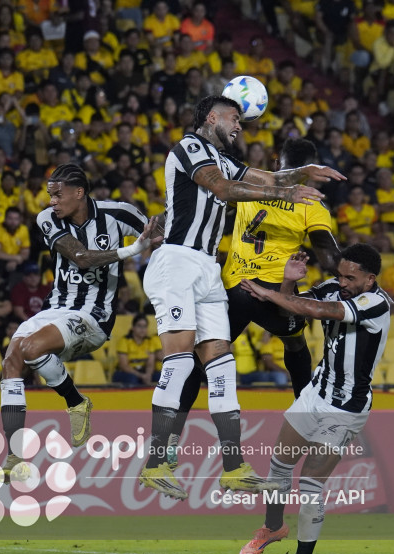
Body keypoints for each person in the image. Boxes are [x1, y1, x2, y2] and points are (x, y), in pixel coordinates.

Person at [138, 95, 340, 501]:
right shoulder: (190, 147)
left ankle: (233, 467)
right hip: (177, 261)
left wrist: (301, 172)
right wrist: (281, 193)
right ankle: (157, 459)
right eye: (235, 119)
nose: (240, 127)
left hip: (210, 270)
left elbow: (268, 178)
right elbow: (223, 189)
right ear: (212, 117)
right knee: (180, 360)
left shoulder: (226, 159)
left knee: (221, 366)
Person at [238, 244, 389, 554]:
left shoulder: (375, 304)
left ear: (370, 279)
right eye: (340, 275)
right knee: (278, 466)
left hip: (345, 409)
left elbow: (319, 310)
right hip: (315, 394)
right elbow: (291, 314)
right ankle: (274, 527)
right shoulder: (335, 288)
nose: (343, 282)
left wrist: (271, 291)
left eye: (351, 277)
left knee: (309, 485)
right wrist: (287, 283)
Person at [0, 164, 157, 482]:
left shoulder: (118, 213)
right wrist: (134, 249)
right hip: (56, 308)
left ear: (79, 192)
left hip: (94, 315)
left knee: (30, 347)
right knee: (12, 360)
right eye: (50, 195)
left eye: (58, 195)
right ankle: (15, 455)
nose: (52, 201)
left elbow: (159, 234)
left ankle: (75, 402)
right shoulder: (47, 219)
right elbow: (82, 257)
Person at [112, 313, 159, 386]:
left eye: (145, 326)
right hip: (125, 373)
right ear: (133, 327)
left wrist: (148, 375)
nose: (142, 329)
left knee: (160, 376)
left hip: (143, 372)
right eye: (139, 326)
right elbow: (124, 366)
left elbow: (151, 363)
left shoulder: (149, 341)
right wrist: (141, 376)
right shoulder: (124, 341)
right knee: (132, 379)